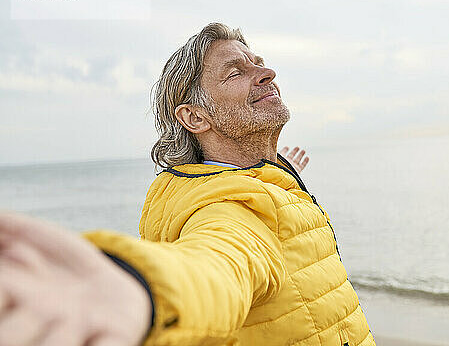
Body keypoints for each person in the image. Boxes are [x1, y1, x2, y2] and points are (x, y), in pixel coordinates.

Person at [0, 23, 375, 346]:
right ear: (195, 116)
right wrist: (138, 290)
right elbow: (219, 261)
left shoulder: (263, 177)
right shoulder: (226, 206)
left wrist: (282, 168)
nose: (267, 73)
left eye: (258, 63)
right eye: (235, 72)